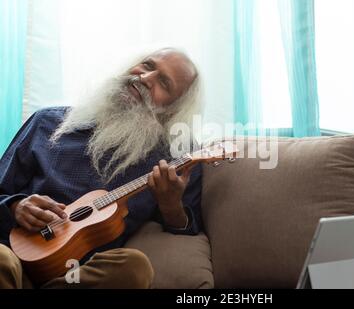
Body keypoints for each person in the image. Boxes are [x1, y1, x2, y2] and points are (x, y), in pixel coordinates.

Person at [0, 48, 202, 289]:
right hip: (12, 261)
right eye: (147, 65)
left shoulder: (176, 160)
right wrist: (16, 205)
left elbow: (186, 230)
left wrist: (171, 206)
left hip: (77, 276)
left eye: (164, 83)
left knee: (134, 267)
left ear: (172, 109)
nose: (145, 79)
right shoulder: (47, 122)